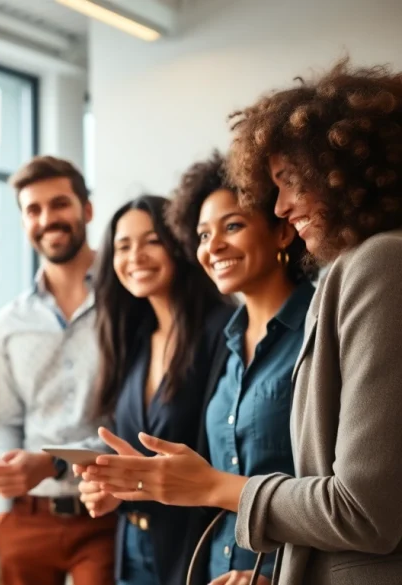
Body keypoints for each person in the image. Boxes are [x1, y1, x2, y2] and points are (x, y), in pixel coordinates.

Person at [78, 59, 402, 585]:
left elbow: (361, 507)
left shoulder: (377, 265)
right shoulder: (232, 343)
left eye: (290, 183)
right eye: (203, 234)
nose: (281, 207)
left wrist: (210, 487)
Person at [167, 152, 315, 585]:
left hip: (289, 574)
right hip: (217, 569)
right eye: (203, 234)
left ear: (283, 231)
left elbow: (341, 493)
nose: (212, 247)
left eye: (232, 226)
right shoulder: (223, 345)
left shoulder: (320, 330)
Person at [0, 156, 117, 585]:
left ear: (86, 210)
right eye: (33, 210)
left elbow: (132, 419)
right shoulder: (9, 322)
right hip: (27, 519)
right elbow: (7, 420)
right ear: (23, 222)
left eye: (59, 204)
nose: (47, 219)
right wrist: (2, 512)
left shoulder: (128, 301)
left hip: (107, 512)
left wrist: (52, 462)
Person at [76, 195, 234, 585]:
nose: (136, 257)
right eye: (123, 246)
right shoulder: (134, 339)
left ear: (179, 244)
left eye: (151, 241)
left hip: (196, 545)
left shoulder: (222, 330)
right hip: (131, 544)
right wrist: (112, 487)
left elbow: (226, 450)